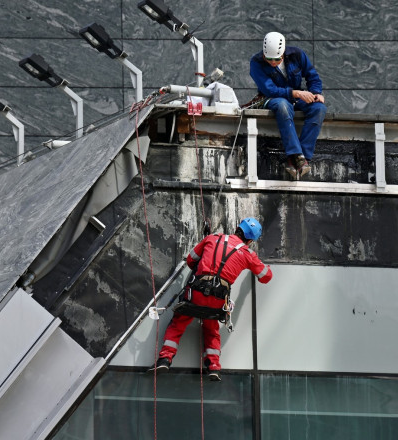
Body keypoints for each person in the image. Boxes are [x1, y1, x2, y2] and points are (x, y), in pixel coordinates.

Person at [150, 218, 273, 381]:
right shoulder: (248, 253)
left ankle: (165, 359)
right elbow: (266, 277)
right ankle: (214, 368)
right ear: (250, 240)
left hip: (195, 293)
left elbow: (190, 260)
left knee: (178, 322)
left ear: (238, 228)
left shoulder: (213, 237)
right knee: (211, 328)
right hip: (218, 300)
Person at [249, 31, 327, 180]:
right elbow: (269, 89)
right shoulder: (256, 62)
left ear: (283, 53)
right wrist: (297, 93)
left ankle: (302, 157)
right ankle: (294, 154)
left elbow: (313, 76)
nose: (272, 62)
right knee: (283, 106)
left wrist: (316, 93)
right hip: (272, 98)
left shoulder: (297, 54)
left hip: (295, 97)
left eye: (276, 59)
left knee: (319, 108)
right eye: (269, 59)